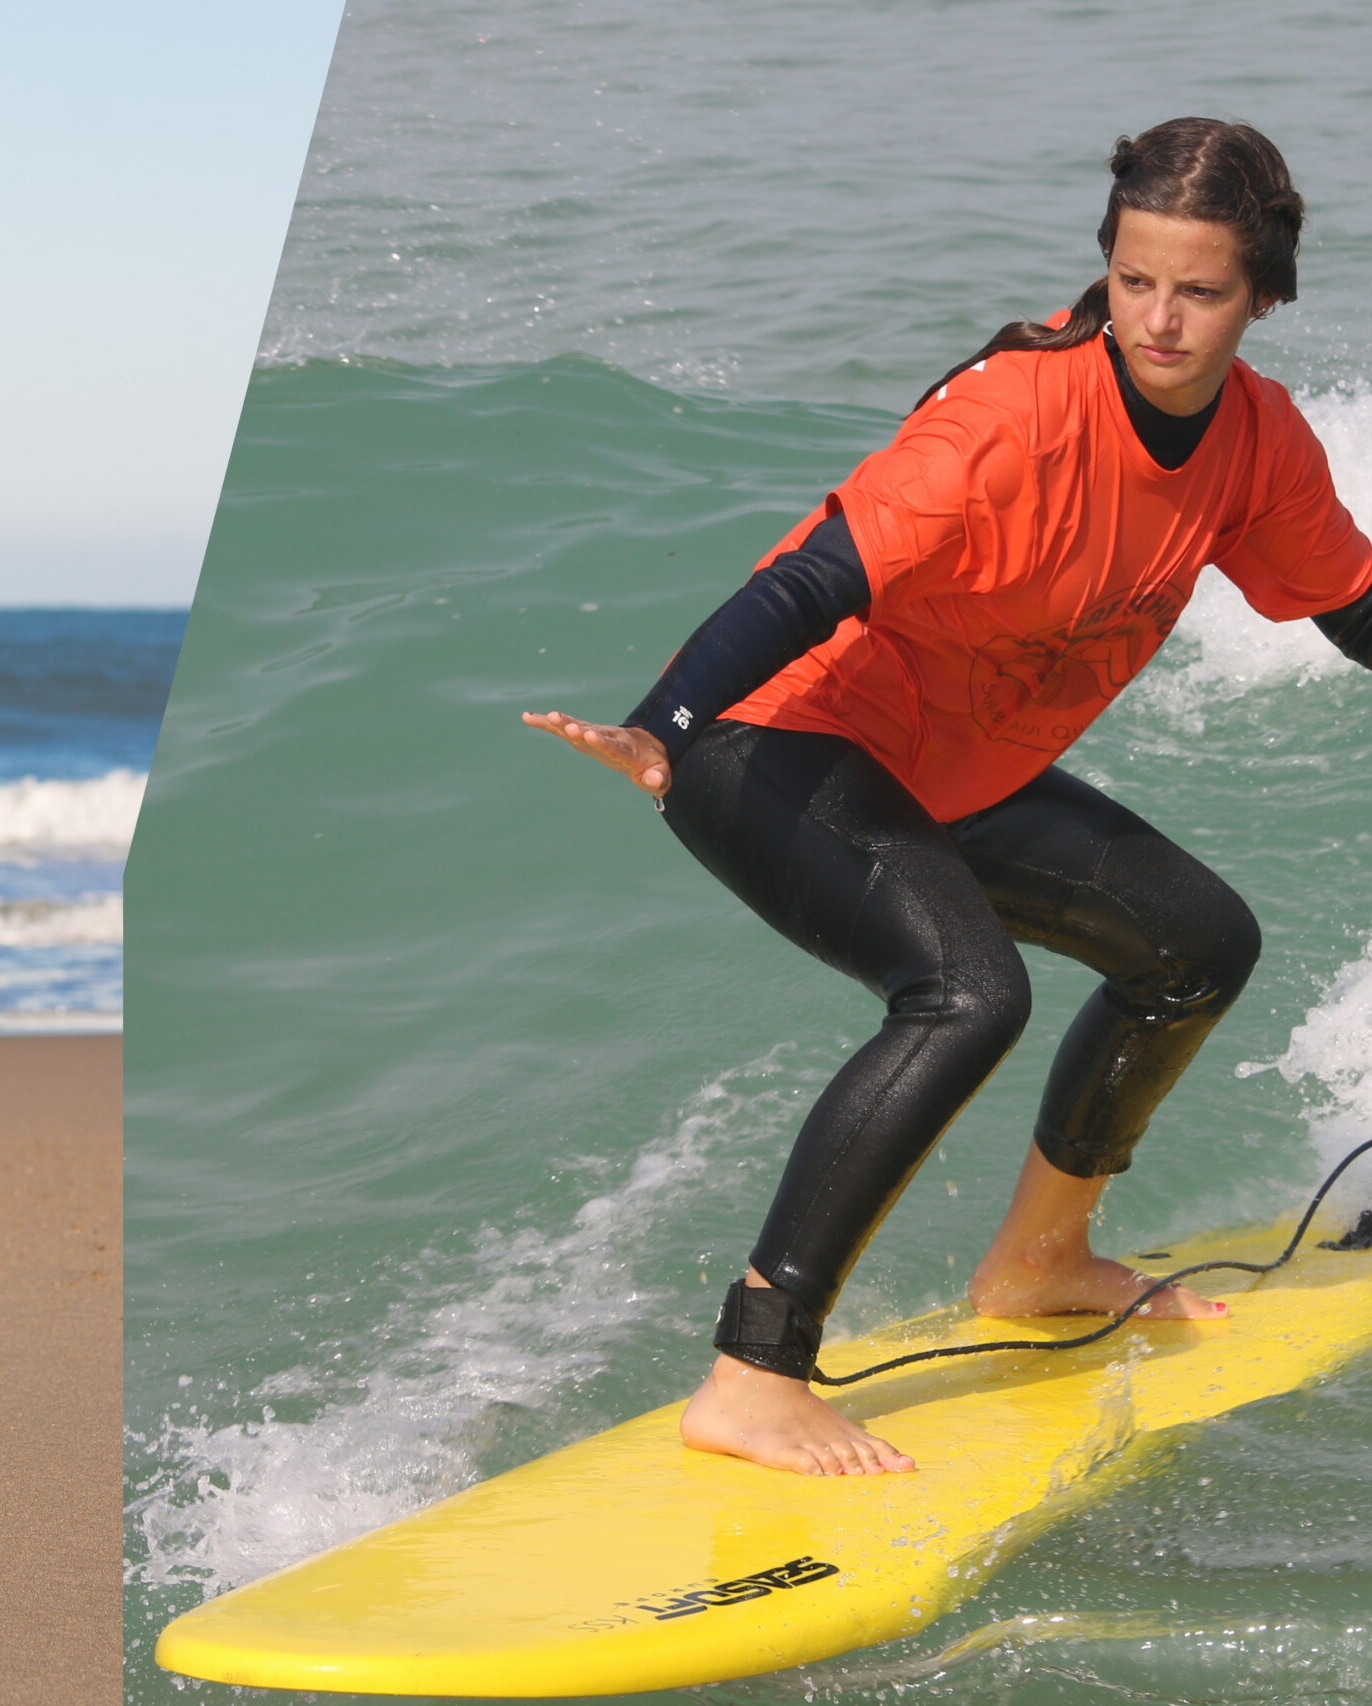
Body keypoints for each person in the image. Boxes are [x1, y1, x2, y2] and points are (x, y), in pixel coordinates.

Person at [526, 118, 1372, 1478]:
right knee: (965, 991)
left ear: (1262, 296)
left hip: (945, 771)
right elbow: (813, 579)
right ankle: (753, 1369)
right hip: (767, 736)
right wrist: (663, 721)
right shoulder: (1014, 416)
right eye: (1134, 280)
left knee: (1195, 943)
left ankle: (1038, 1261)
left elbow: (1351, 603)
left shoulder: (1258, 442)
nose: (1158, 320)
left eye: (1200, 291)